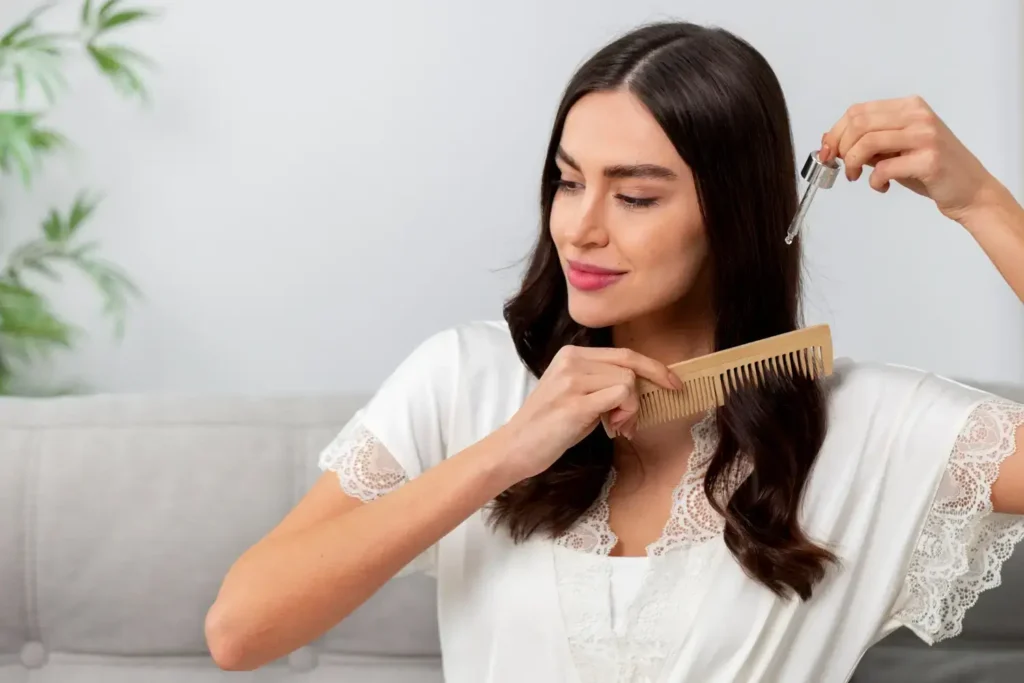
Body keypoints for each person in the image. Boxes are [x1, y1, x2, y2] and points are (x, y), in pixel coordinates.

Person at [204, 21, 1024, 683]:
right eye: (567, 181)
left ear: (735, 215)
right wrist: (505, 453)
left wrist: (984, 204)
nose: (580, 226)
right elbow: (240, 629)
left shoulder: (873, 431)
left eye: (634, 195)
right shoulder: (464, 379)